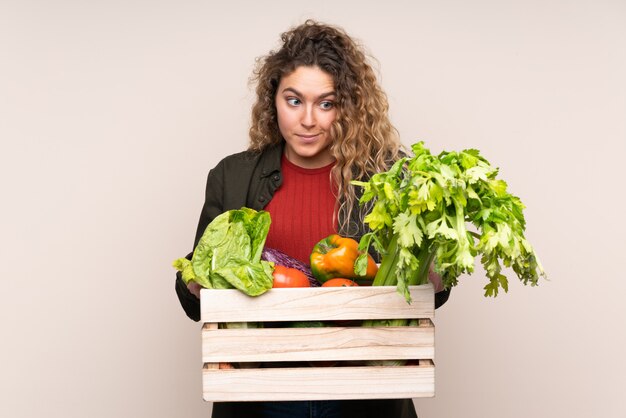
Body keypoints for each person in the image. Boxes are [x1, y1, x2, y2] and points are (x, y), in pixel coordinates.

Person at [175, 19, 450, 418]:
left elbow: (430, 294)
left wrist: (433, 274)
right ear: (273, 101)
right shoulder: (232, 177)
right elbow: (193, 299)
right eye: (294, 100)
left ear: (348, 106)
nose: (308, 120)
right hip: (261, 393)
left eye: (326, 103)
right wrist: (199, 278)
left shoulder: (389, 178)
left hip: (363, 393)